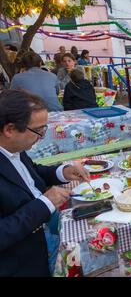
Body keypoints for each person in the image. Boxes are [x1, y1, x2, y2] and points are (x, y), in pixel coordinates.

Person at [0, 90, 91, 276]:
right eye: (37, 130)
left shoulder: (13, 148)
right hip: (25, 256)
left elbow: (31, 173)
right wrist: (44, 204)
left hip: (47, 226)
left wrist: (63, 171)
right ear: (9, 130)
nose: (42, 136)